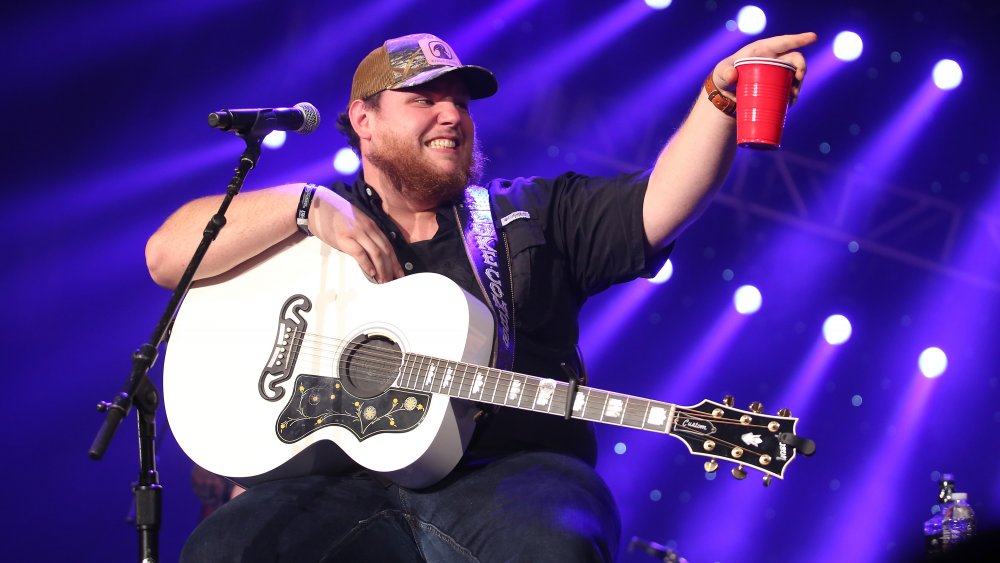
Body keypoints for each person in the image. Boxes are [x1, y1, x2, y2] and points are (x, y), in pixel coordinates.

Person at [146, 31, 815, 562]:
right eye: (425, 99)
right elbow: (166, 254)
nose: (452, 116)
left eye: (461, 102)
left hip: (513, 477)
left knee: (553, 546)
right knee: (224, 548)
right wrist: (301, 203)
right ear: (364, 121)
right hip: (332, 483)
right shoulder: (309, 225)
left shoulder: (533, 214)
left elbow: (661, 203)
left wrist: (719, 100)